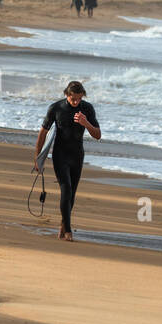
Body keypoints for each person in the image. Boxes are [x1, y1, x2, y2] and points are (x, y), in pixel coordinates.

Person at [35, 81, 101, 241]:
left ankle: (63, 224)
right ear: (67, 95)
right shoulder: (56, 108)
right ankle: (68, 231)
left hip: (77, 155)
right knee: (66, 189)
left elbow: (97, 135)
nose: (76, 102)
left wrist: (86, 123)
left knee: (72, 195)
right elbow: (42, 133)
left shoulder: (87, 109)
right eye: (73, 99)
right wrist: (38, 158)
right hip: (60, 154)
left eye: (79, 99)